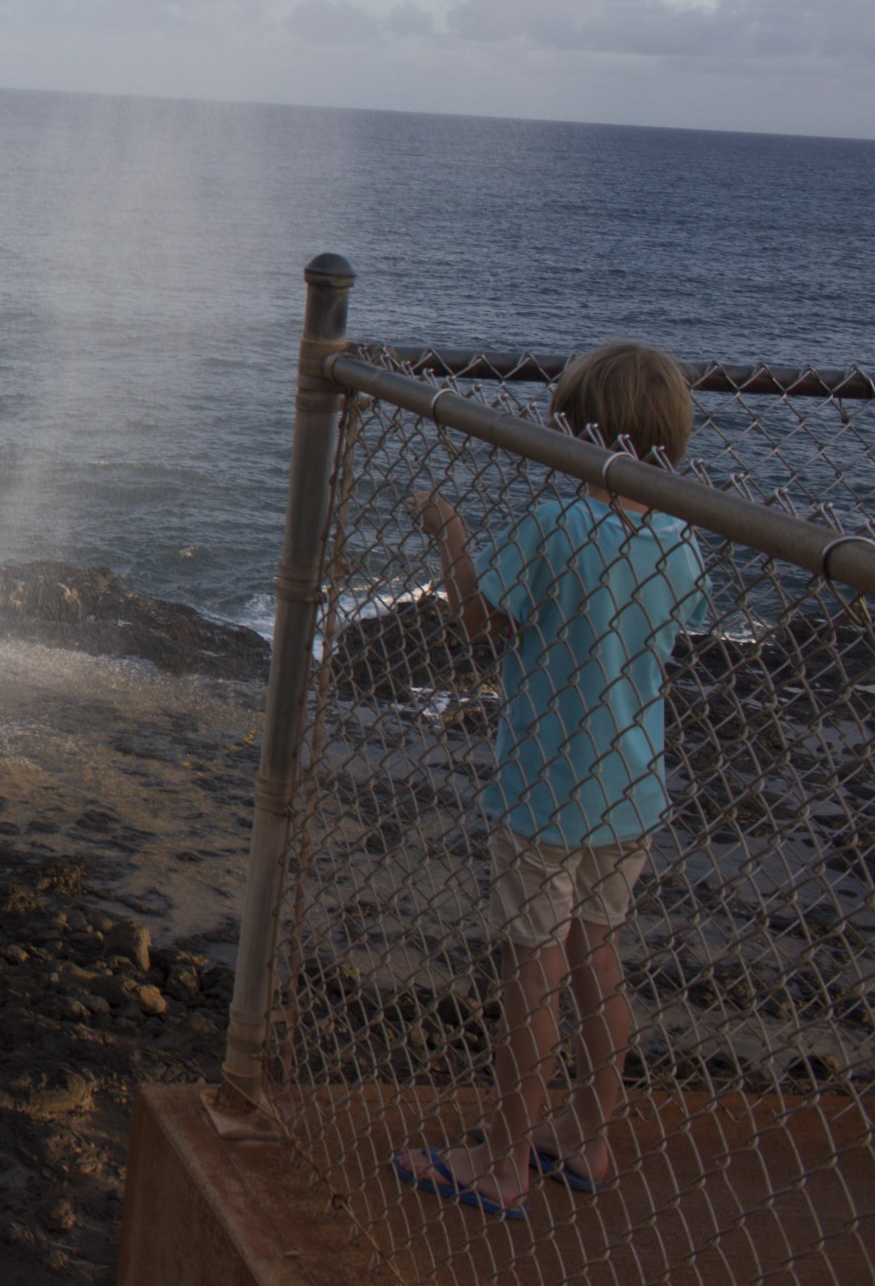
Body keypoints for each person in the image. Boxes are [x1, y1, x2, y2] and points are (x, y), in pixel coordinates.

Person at [392, 341, 711, 1220]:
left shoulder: (557, 526)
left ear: (578, 432)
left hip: (546, 786)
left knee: (530, 974)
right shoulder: (677, 536)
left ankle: (498, 1162)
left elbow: (477, 620)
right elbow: (669, 624)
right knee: (596, 959)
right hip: (632, 786)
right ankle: (586, 1135)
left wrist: (449, 531)